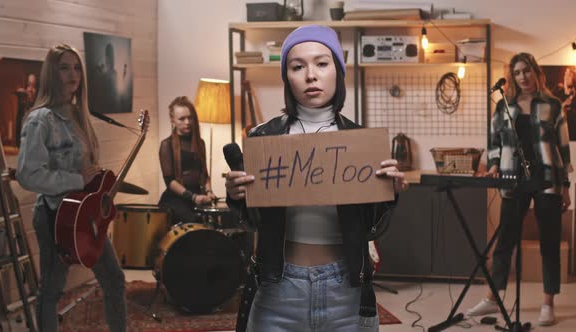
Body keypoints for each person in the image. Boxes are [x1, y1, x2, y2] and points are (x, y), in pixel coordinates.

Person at [225, 25, 408, 332]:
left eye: (322, 63)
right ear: (287, 77)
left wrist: (389, 195)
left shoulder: (362, 143)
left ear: (338, 70)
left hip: (346, 290)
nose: (311, 75)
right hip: (277, 289)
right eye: (298, 66)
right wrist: (237, 195)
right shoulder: (263, 139)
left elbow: (374, 227)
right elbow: (254, 221)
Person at [16, 44, 126, 332]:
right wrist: (76, 180)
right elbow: (28, 175)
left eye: (77, 67)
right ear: (52, 73)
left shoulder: (79, 115)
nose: (73, 74)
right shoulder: (40, 119)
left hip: (85, 214)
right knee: (51, 291)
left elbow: (87, 168)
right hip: (55, 215)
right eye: (64, 68)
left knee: (114, 278)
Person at [467, 52, 571, 326]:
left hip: (549, 179)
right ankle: (492, 297)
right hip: (513, 180)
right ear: (512, 77)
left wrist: (567, 187)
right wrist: (492, 165)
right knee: (505, 242)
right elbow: (494, 144)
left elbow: (563, 148)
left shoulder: (553, 105)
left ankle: (548, 304)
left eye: (527, 71)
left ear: (536, 72)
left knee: (549, 242)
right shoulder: (504, 107)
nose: (523, 77)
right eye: (517, 72)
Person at [158, 96, 216, 224]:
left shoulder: (200, 143)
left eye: (190, 118)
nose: (187, 122)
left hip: (198, 195)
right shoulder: (166, 145)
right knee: (192, 221)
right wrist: (193, 197)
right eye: (182, 119)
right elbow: (170, 181)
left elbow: (204, 174)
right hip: (177, 198)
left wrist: (209, 191)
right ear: (172, 120)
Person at [15, 73, 38, 147]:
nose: (30, 89)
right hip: (25, 119)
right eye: (29, 84)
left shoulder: (38, 95)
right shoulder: (23, 94)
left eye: (33, 85)